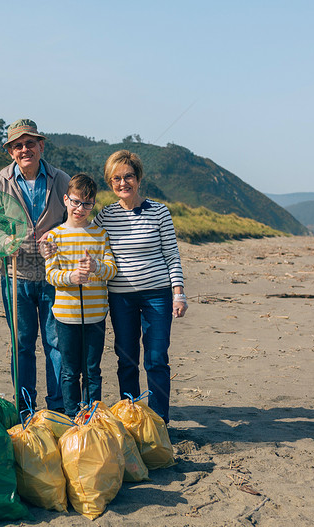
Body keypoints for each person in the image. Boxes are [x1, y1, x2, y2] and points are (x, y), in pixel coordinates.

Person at [94, 150, 187, 423]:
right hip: (121, 299)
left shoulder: (159, 211)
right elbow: (83, 235)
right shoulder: (106, 216)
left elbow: (172, 254)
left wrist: (178, 293)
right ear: (110, 183)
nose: (123, 183)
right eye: (116, 179)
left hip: (157, 296)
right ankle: (131, 418)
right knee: (127, 360)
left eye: (128, 177)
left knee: (157, 358)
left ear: (138, 178)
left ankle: (159, 421)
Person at [0, 118, 70, 413]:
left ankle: (58, 408)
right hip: (15, 275)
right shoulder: (0, 182)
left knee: (56, 343)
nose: (25, 149)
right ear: (10, 151)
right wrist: (4, 241)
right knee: (22, 344)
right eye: (18, 145)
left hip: (53, 275)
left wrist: (57, 236)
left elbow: (76, 221)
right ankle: (25, 408)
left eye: (30, 143)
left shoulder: (61, 179)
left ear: (41, 146)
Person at [44, 174, 116, 416]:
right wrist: (71, 277)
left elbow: (112, 269)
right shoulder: (55, 236)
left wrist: (96, 267)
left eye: (86, 204)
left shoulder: (100, 234)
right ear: (66, 199)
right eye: (75, 201)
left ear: (93, 204)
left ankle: (93, 415)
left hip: (96, 315)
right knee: (69, 371)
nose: (80, 208)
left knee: (92, 370)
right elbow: (51, 274)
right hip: (66, 316)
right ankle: (72, 415)